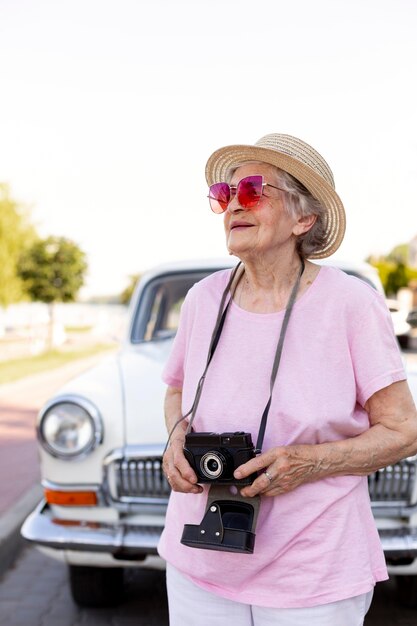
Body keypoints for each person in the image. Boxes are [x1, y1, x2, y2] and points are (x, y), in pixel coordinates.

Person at [158, 133, 417, 625]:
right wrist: (175, 440)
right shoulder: (202, 299)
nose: (234, 203)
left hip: (313, 573)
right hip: (199, 565)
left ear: (304, 218)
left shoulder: (351, 303)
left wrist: (310, 463)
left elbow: (404, 430)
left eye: (253, 190)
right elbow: (176, 390)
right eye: (224, 194)